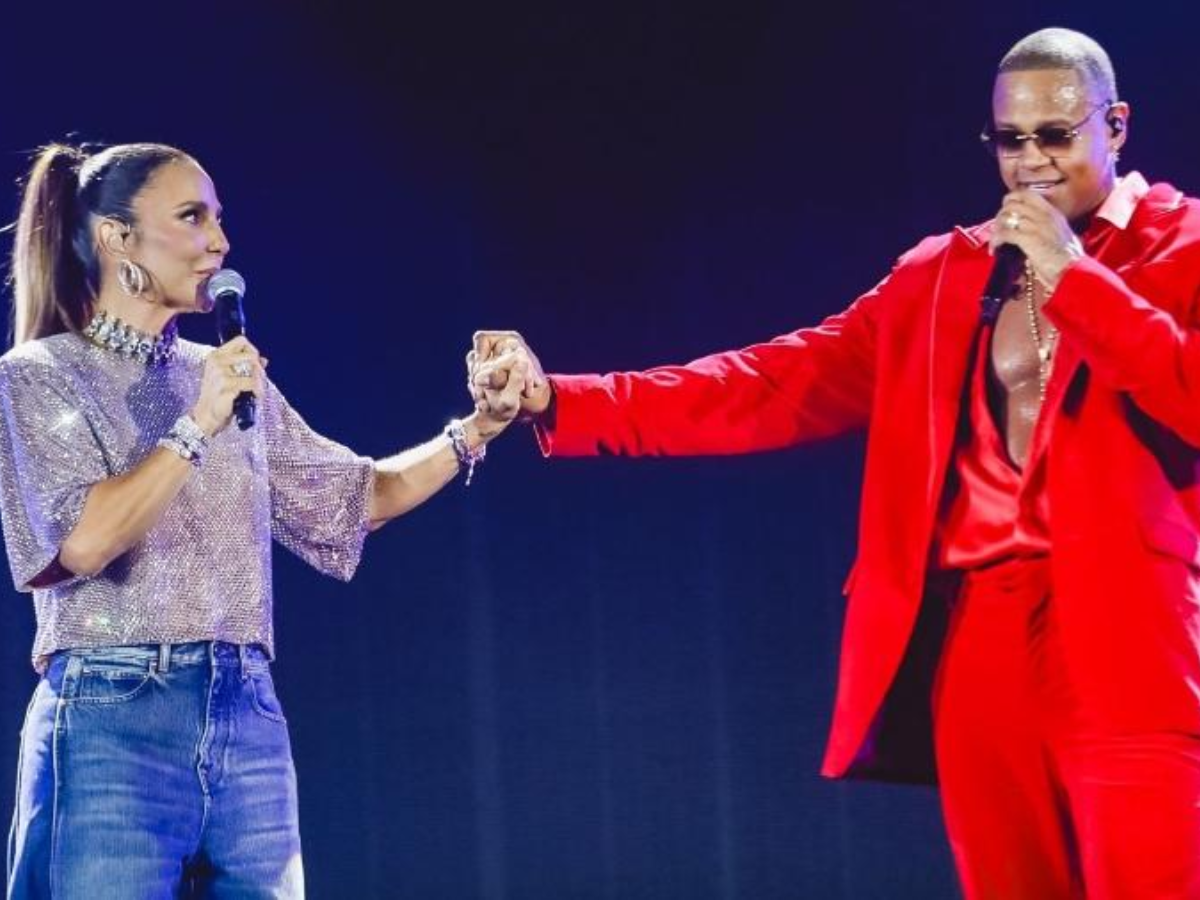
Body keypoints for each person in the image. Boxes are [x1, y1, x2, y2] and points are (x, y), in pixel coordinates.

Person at [469, 27, 1200, 899]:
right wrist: (565, 397)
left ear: (1115, 126)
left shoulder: (1180, 244)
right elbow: (774, 383)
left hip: (1128, 626)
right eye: (1011, 141)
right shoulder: (942, 274)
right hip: (978, 637)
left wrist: (1073, 275)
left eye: (1057, 136)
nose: (1032, 163)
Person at [0, 142, 527, 899]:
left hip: (244, 710)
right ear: (117, 237)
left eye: (219, 220)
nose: (219, 241)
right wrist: (198, 423)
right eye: (192, 217)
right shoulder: (43, 374)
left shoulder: (218, 376)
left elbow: (355, 498)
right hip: (112, 716)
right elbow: (80, 539)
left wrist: (477, 428)